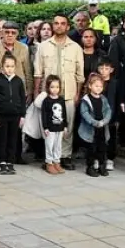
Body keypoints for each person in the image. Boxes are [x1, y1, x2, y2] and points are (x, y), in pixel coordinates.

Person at [35, 14, 85, 169]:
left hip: (68, 94)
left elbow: (80, 75)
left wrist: (78, 93)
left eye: (63, 23)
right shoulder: (43, 46)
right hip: (48, 94)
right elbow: (38, 71)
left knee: (67, 126)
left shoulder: (76, 47)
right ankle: (49, 158)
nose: (59, 26)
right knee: (48, 127)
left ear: (68, 27)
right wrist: (36, 92)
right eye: (56, 23)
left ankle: (65, 156)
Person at [0, 54, 26, 174]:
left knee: (13, 139)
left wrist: (22, 115)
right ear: (2, 67)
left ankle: (10, 161)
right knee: (2, 139)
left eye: (12, 66)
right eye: (7, 66)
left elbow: (22, 98)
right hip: (1, 115)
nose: (9, 69)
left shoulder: (18, 81)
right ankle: (2, 161)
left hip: (15, 115)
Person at [79, 73, 112, 177]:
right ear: (90, 86)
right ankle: (90, 167)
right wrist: (94, 122)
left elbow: (108, 111)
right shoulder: (86, 100)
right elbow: (84, 113)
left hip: (102, 127)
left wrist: (104, 121)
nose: (99, 88)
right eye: (96, 86)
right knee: (91, 149)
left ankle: (102, 165)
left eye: (101, 86)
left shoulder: (103, 99)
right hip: (91, 129)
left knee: (102, 148)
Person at [41, 75, 68, 174]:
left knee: (58, 145)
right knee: (49, 145)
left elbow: (64, 113)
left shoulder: (61, 99)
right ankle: (49, 163)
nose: (55, 89)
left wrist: (65, 125)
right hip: (50, 129)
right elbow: (43, 115)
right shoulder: (46, 101)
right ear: (48, 88)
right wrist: (45, 127)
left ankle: (57, 162)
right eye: (52, 87)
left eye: (57, 87)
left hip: (60, 127)